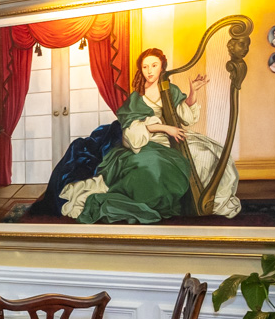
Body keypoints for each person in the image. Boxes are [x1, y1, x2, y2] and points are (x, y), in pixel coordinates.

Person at [57, 48, 240, 223]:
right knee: (151, 165)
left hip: (172, 138)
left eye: (154, 65)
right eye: (145, 67)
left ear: (162, 66)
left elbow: (186, 117)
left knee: (210, 154)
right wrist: (165, 128)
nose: (149, 71)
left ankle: (203, 200)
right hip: (144, 141)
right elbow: (132, 133)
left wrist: (193, 93)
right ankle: (147, 202)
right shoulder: (137, 98)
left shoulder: (169, 89)